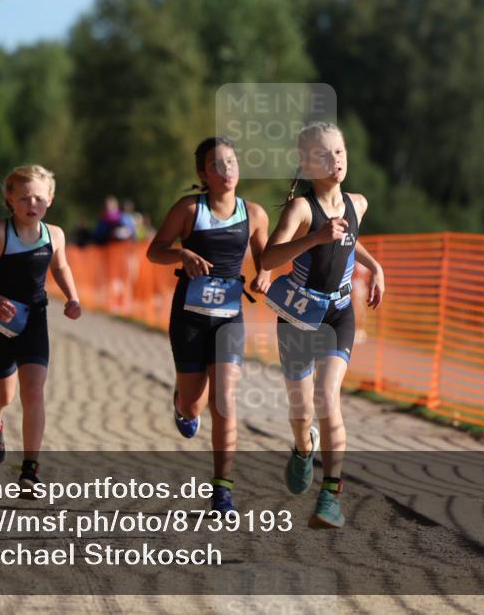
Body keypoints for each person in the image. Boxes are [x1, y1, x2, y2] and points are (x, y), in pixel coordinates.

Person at [260, 122, 385, 529]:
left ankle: (331, 496)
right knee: (302, 409)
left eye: (340, 152)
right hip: (298, 313)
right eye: (325, 154)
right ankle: (301, 447)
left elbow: (350, 240)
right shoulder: (301, 209)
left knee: (326, 397)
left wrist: (375, 266)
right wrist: (314, 238)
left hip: (338, 313)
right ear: (307, 163)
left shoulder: (358, 204)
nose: (336, 160)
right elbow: (267, 259)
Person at [146, 137, 271, 513]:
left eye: (231, 162)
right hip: (189, 317)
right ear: (203, 173)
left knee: (225, 400)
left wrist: (264, 274)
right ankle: (182, 406)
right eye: (217, 164)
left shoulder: (255, 214)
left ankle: (222, 489)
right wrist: (182, 253)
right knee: (194, 403)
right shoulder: (188, 209)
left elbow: (266, 257)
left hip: (230, 317)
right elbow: (155, 250)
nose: (227, 169)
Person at [0, 165, 82, 491]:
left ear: (50, 200)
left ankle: (30, 470)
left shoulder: (54, 235)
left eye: (39, 199)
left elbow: (61, 266)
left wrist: (73, 298)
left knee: (33, 392)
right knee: (4, 394)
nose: (33, 205)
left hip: (35, 321)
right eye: (25, 198)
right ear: (10, 199)